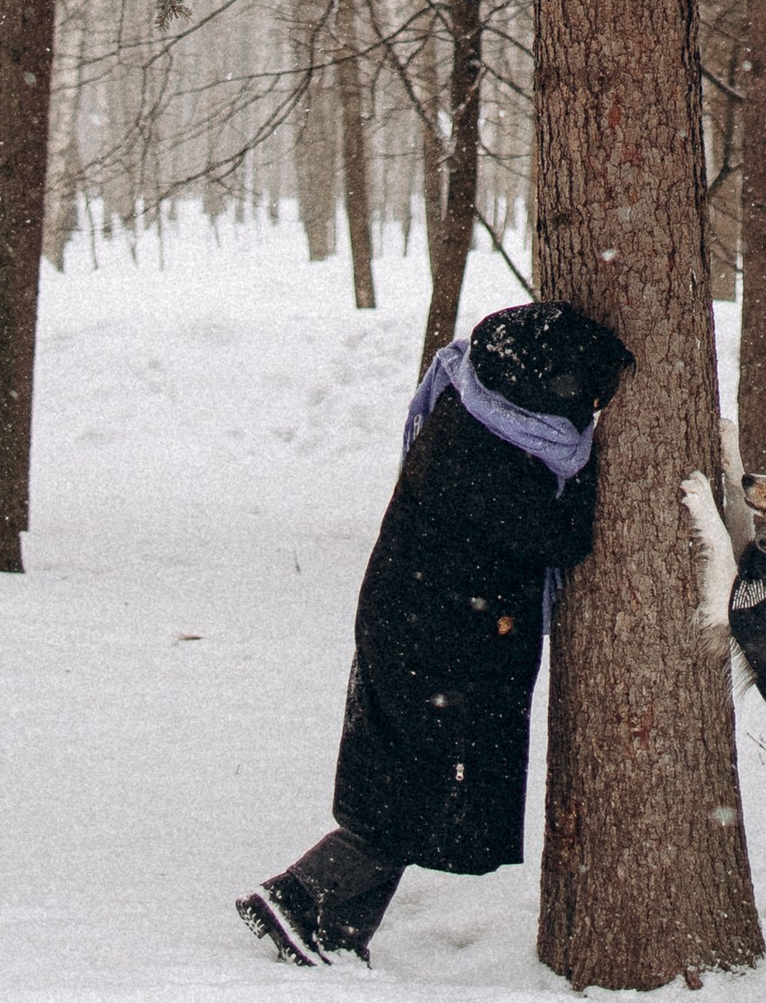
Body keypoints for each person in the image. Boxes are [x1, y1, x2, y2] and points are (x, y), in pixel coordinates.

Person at [239, 298, 633, 965]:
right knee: (420, 781)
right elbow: (560, 537)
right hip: (438, 637)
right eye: (588, 399)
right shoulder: (491, 450)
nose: (590, 413)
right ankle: (305, 896)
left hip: (429, 623)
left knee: (406, 777)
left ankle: (333, 929)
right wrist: (599, 473)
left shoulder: (477, 405)